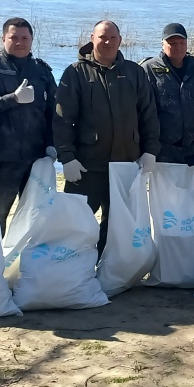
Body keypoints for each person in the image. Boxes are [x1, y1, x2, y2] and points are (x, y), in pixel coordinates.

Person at [53, 20, 161, 251]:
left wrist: (150, 151)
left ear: (120, 41)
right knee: (74, 225)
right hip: (86, 166)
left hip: (125, 165)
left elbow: (148, 116)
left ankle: (107, 275)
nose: (108, 42)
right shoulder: (75, 73)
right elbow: (62, 119)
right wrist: (66, 157)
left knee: (116, 228)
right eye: (102, 37)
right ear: (92, 38)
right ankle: (70, 275)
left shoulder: (134, 72)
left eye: (113, 38)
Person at [0, 17, 57, 235]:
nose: (20, 42)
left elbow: (54, 112)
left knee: (35, 218)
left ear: (32, 40)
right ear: (3, 38)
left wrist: (52, 145)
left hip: (34, 159)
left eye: (24, 38)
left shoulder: (42, 70)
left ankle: (24, 266)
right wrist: (11, 99)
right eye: (14, 37)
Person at [142, 22, 194, 167]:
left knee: (191, 190)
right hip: (159, 152)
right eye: (172, 43)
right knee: (161, 190)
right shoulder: (148, 70)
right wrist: (147, 151)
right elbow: (140, 113)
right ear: (162, 44)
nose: (178, 47)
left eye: (181, 42)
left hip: (192, 152)